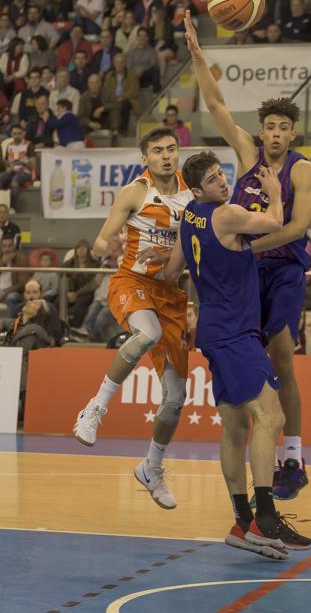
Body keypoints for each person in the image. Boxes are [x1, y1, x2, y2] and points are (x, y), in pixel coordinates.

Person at [186, 11, 311, 501]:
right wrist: (199, 56)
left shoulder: (302, 169)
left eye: (284, 127)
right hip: (248, 269)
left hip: (281, 268)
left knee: (282, 358)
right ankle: (253, 465)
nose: (276, 134)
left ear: (293, 134)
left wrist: (242, 248)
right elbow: (216, 102)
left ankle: (294, 456)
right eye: (270, 127)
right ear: (261, 131)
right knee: (252, 364)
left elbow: (297, 226)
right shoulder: (246, 156)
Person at [167, 151, 311, 558]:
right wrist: (272, 193)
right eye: (212, 180)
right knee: (272, 416)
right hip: (234, 333)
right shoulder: (226, 214)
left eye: (221, 175)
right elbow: (277, 224)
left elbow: (171, 270)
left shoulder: (188, 216)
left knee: (234, 428)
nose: (222, 182)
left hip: (215, 328)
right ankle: (265, 516)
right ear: (197, 190)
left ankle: (241, 521)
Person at [72, 128, 191, 510]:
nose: (166, 156)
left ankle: (152, 468)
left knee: (176, 399)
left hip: (171, 295)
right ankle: (95, 407)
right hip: (132, 281)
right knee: (147, 334)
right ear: (146, 158)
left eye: (171, 149)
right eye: (157, 151)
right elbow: (99, 242)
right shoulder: (134, 193)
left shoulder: (193, 197)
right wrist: (112, 244)